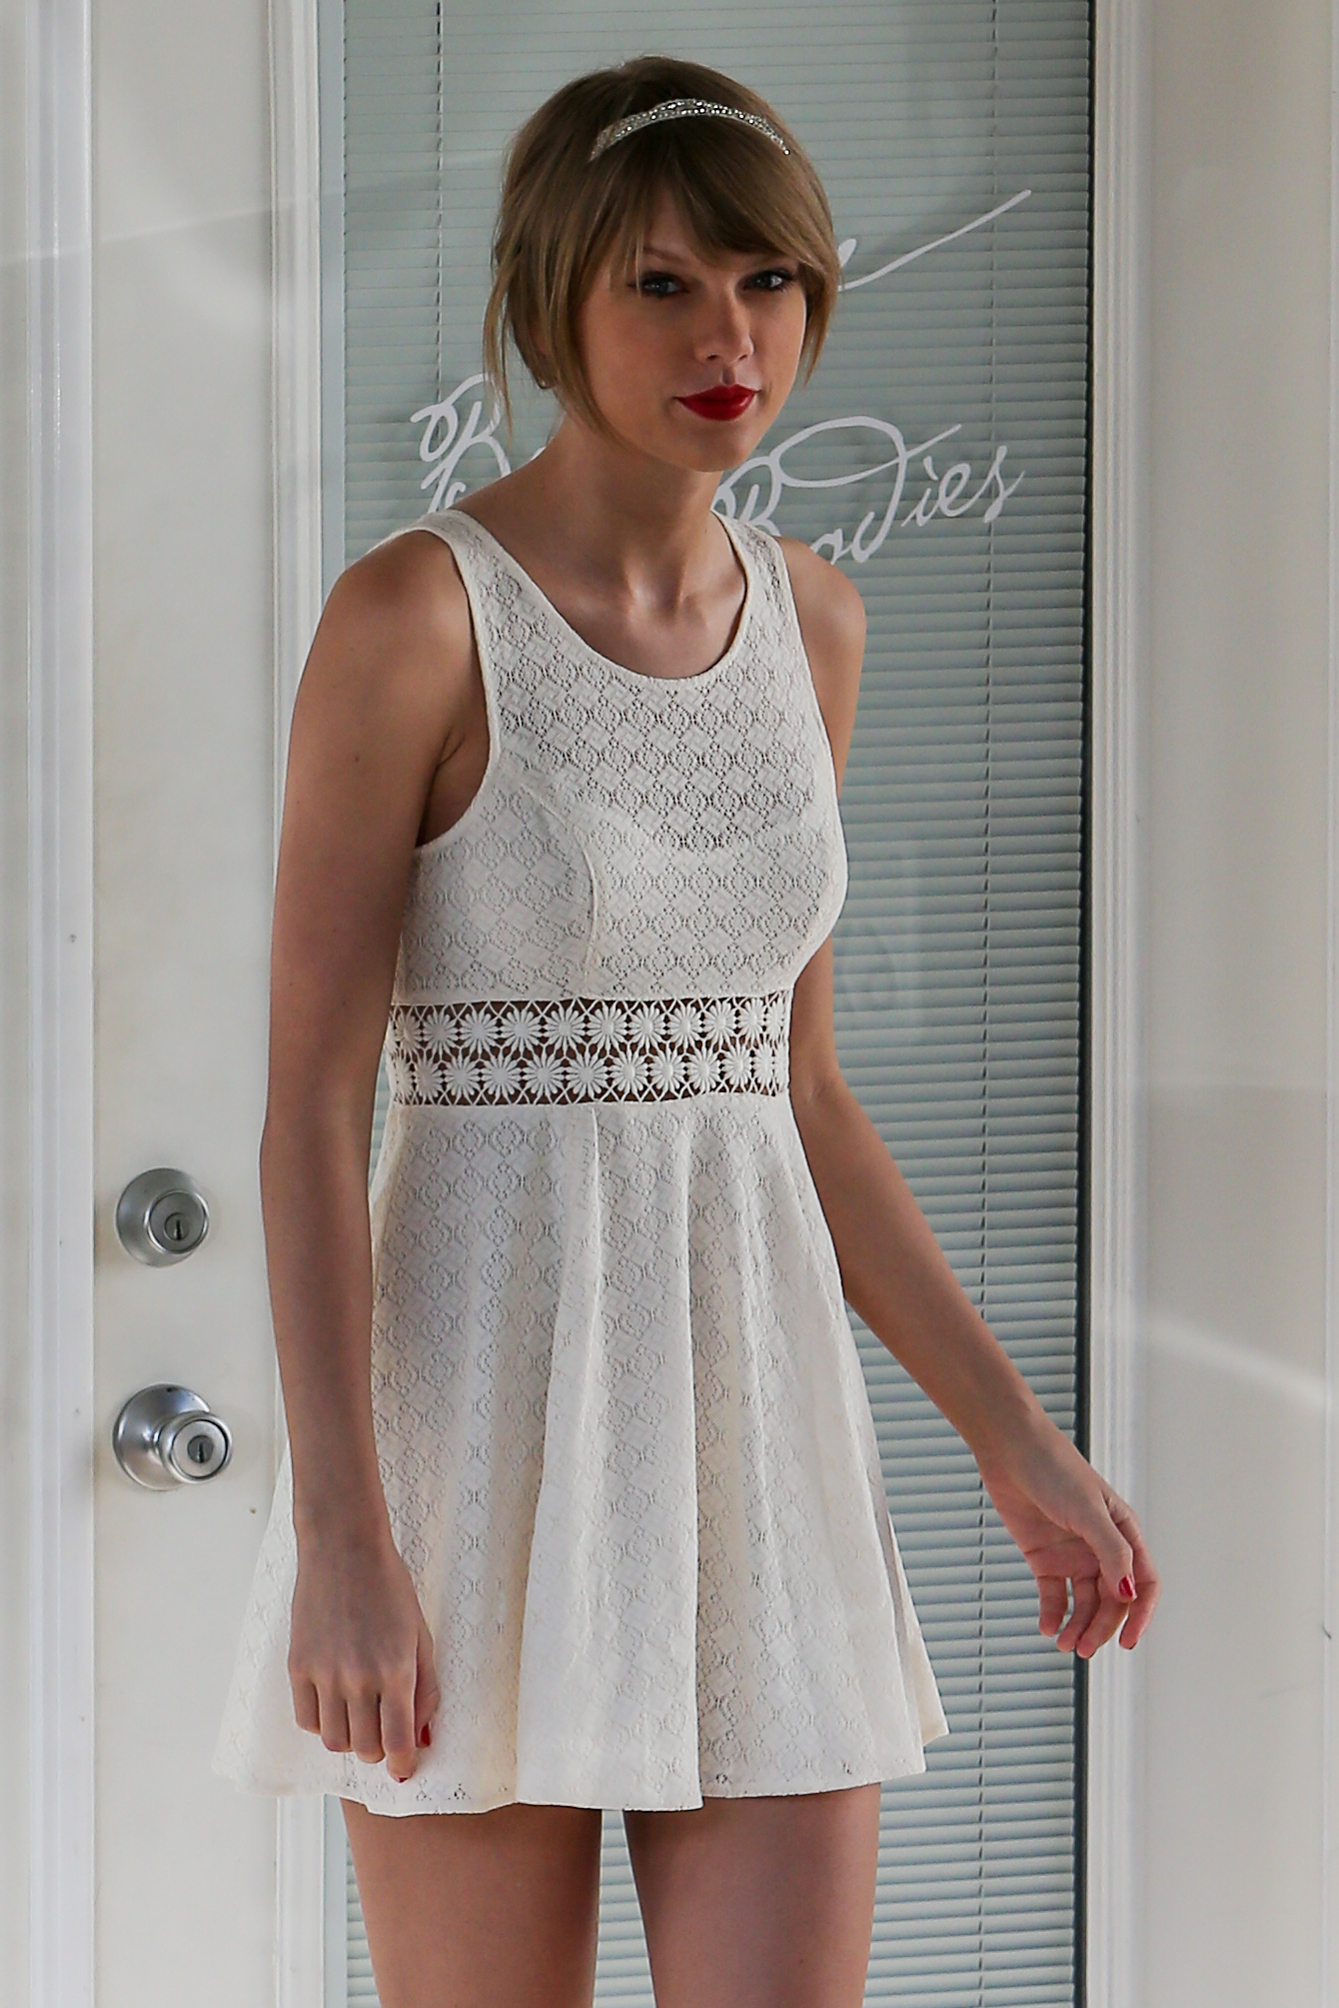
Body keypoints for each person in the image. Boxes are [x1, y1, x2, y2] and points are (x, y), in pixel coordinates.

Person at [213, 54, 1159, 2008]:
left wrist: (1020, 1442)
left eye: (769, 280)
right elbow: (309, 1109)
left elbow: (798, 1091)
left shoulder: (817, 623)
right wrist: (340, 1538)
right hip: (475, 1441)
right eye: (661, 285)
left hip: (755, 1440)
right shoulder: (415, 619)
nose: (730, 339)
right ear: (547, 300)